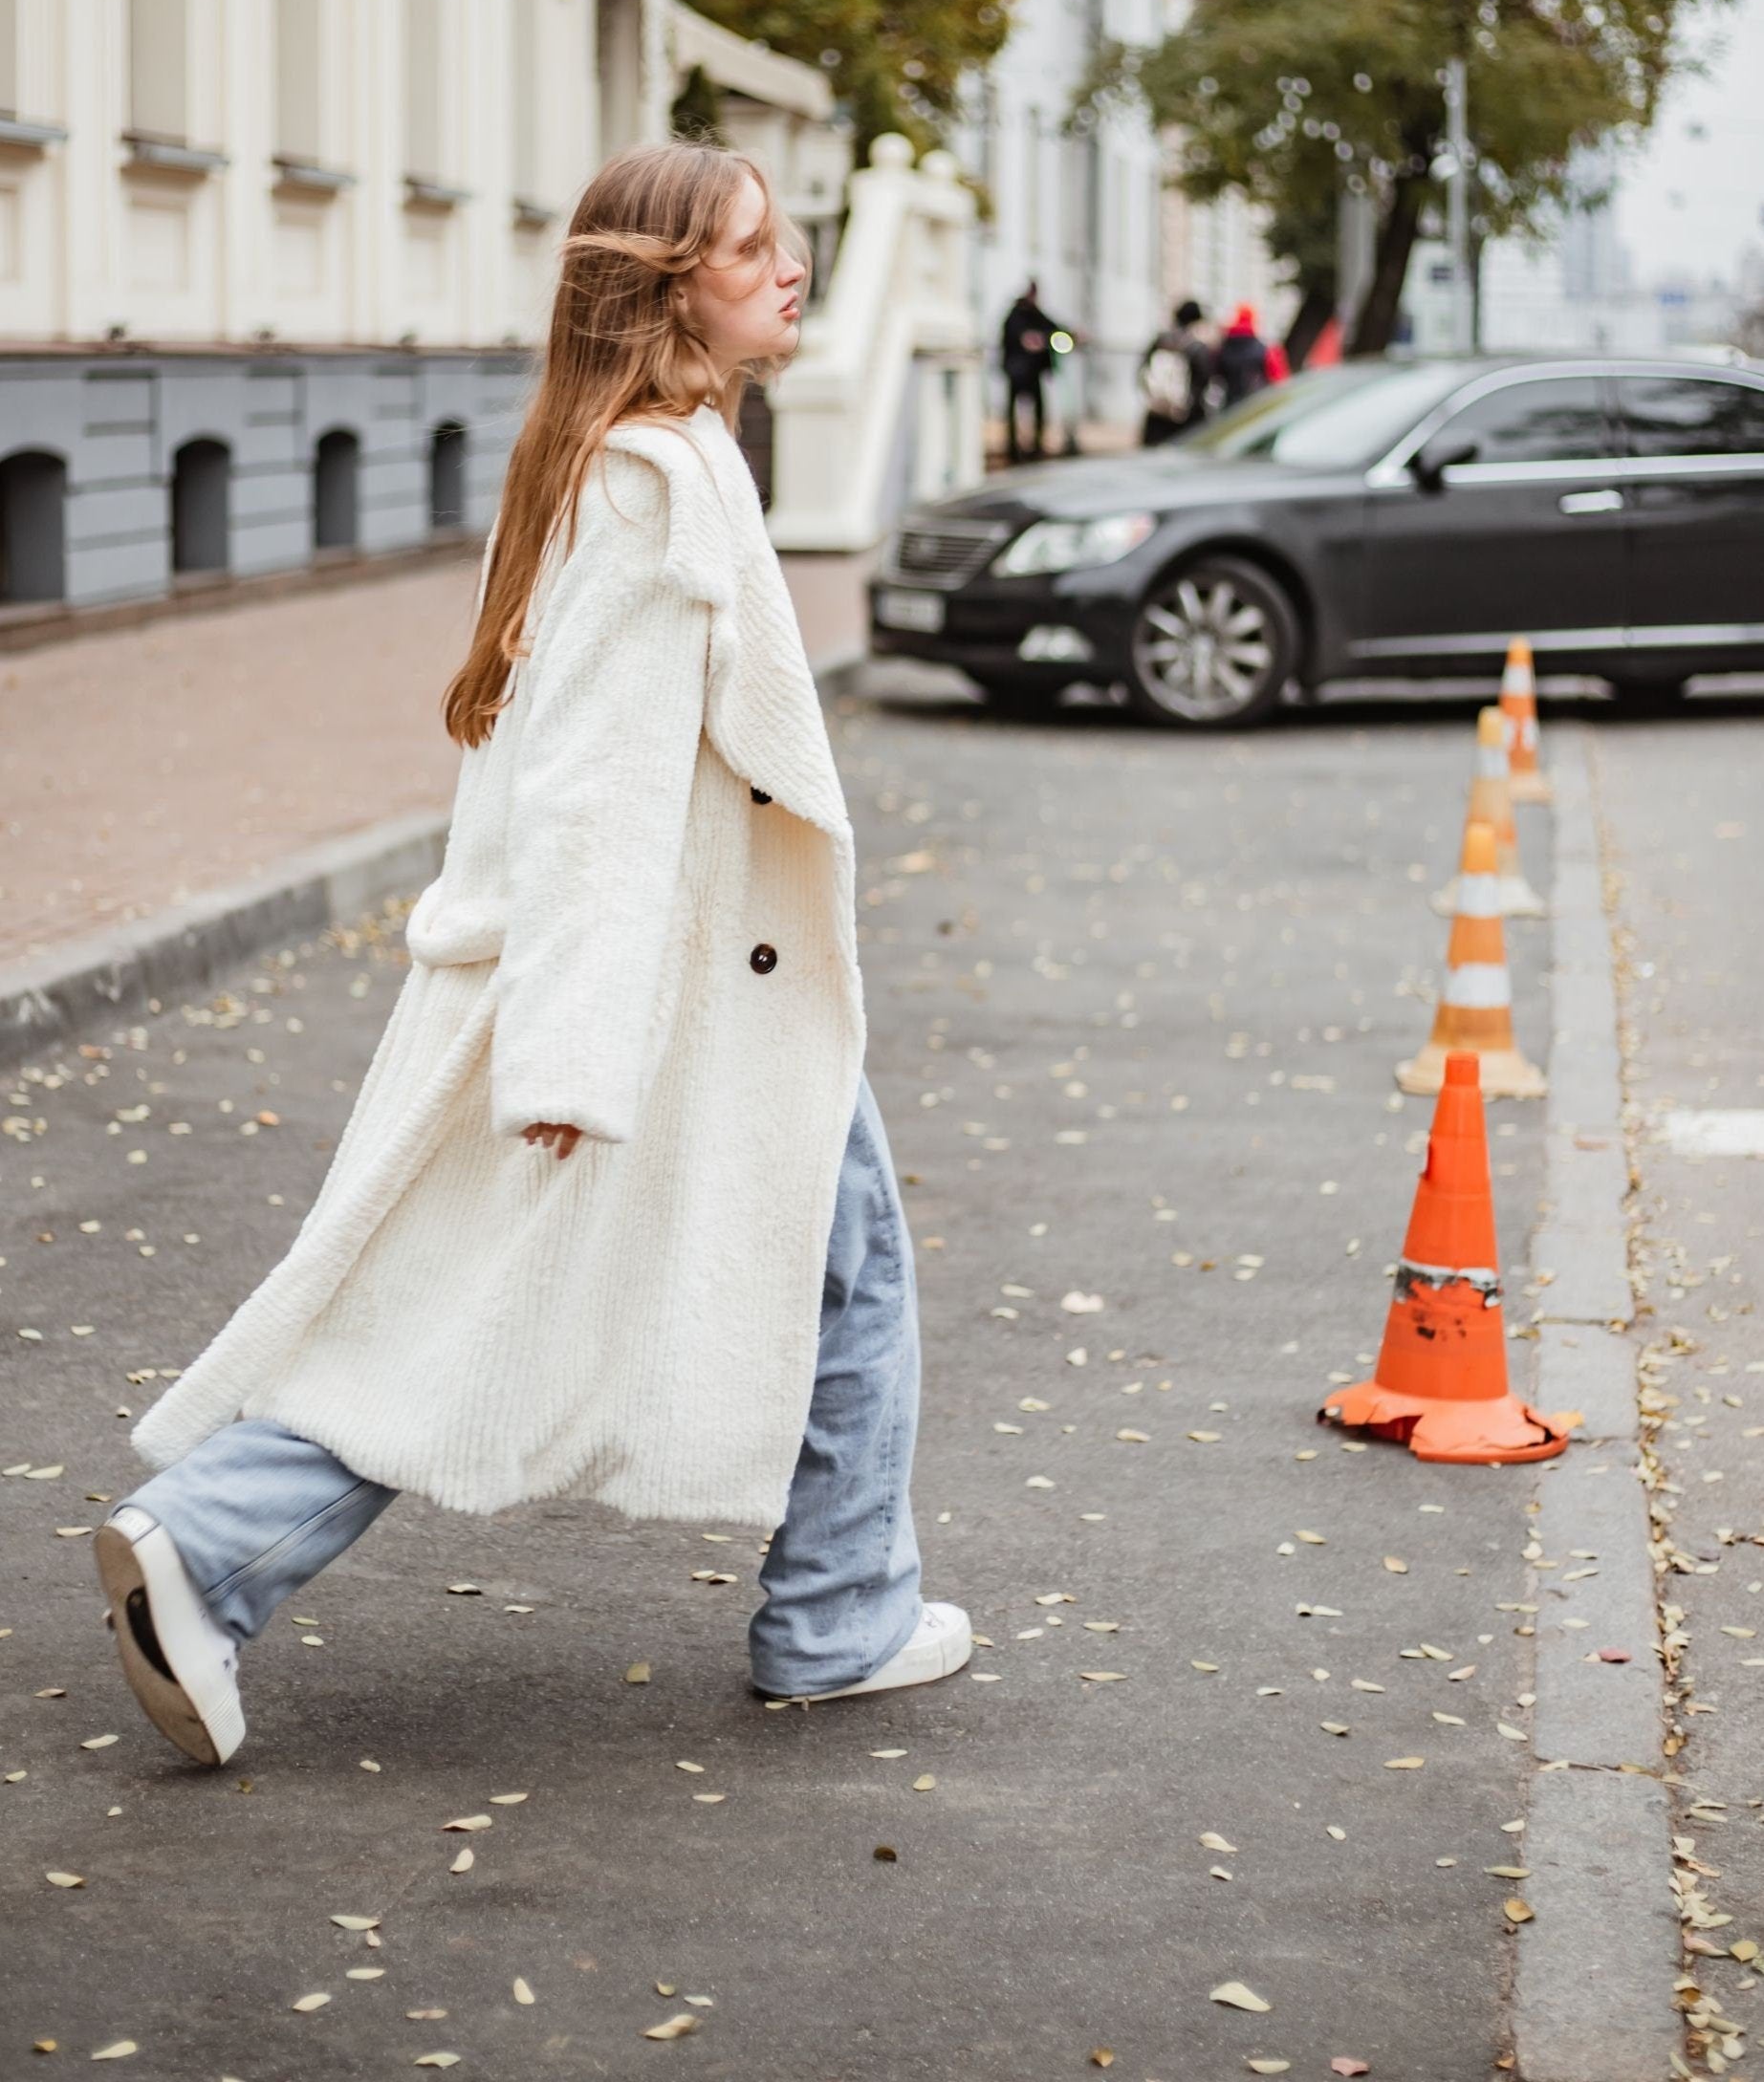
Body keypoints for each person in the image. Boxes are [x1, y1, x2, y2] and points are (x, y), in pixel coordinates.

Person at [96, 143, 970, 1768]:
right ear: (666, 291)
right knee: (487, 1311)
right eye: (752, 248)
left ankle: (840, 1600)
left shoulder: (640, 458)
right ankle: (212, 1543)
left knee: (800, 1267)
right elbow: (591, 785)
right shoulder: (655, 486)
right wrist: (574, 1051)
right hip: (654, 998)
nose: (790, 269)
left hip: (681, 987)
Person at [1138, 298, 1213, 445]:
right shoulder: (1197, 348)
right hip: (1185, 420)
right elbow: (1203, 382)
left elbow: (1143, 371)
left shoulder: (1159, 341)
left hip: (1156, 416)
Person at [999, 279, 1056, 463]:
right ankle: (1013, 448)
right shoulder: (1016, 316)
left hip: (1033, 371)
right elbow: (1013, 338)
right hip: (1017, 370)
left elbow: (1053, 328)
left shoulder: (1036, 314)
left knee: (1038, 408)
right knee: (1013, 410)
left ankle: (1036, 445)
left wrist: (1070, 335)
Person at [1215, 302, 1278, 407]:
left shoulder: (1223, 348)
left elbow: (1217, 374)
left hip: (1230, 405)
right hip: (1258, 405)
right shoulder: (1265, 350)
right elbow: (1278, 382)